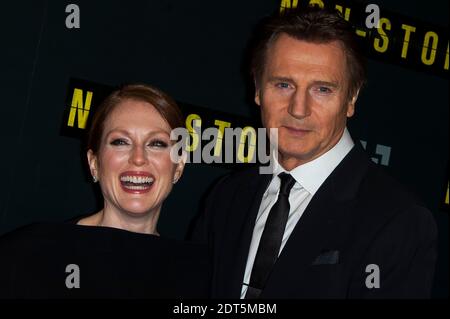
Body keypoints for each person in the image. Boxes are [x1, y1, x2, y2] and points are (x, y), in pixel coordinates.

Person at [192, 7, 438, 298]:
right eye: (283, 84)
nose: (299, 109)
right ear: (257, 88)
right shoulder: (228, 196)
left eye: (322, 89)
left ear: (352, 98)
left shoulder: (398, 221)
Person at [0, 84, 209, 298]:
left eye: (156, 143)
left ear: (179, 166)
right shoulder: (29, 255)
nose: (138, 158)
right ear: (94, 163)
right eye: (120, 142)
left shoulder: (199, 279)